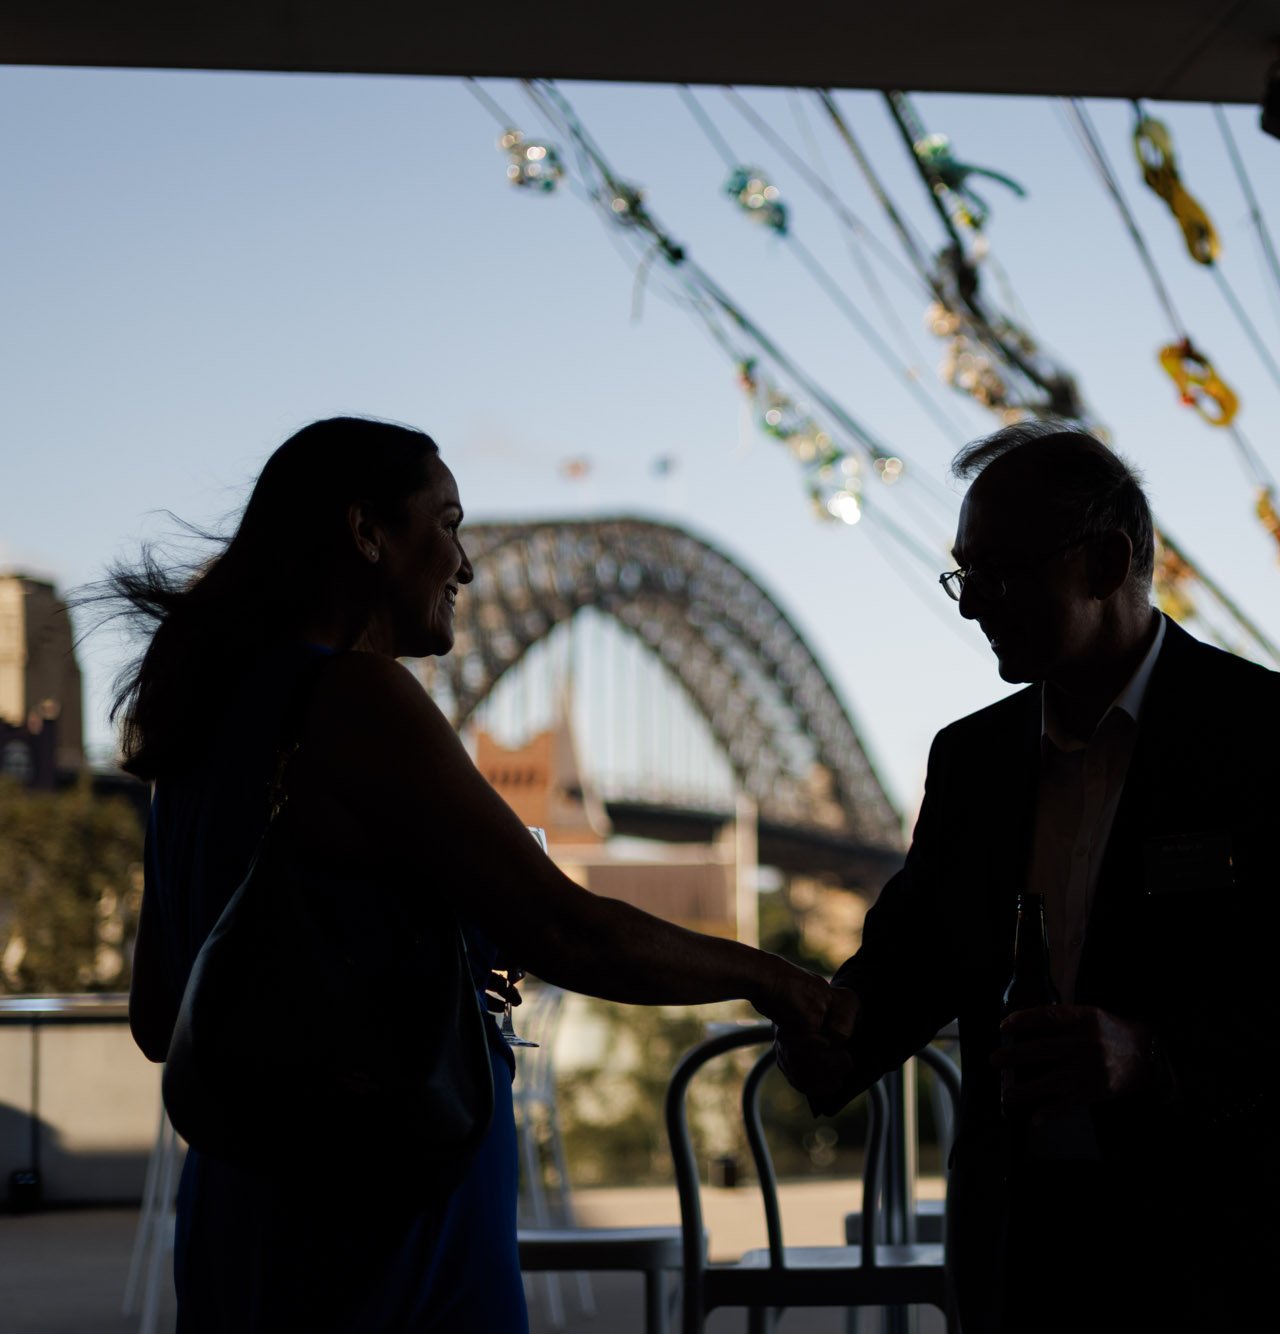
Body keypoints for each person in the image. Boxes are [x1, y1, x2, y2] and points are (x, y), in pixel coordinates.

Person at [116, 417, 851, 1332]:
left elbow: (159, 1017)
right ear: (366, 534)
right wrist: (772, 978)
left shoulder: (198, 728)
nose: (465, 565)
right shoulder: (356, 697)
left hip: (241, 1213)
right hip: (386, 1216)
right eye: (449, 524)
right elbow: (567, 931)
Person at [776, 422, 1280, 1332]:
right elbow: (910, 961)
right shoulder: (972, 759)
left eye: (1000, 572)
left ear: (1108, 561)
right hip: (1027, 1243)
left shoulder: (1270, 730)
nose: (971, 607)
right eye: (965, 573)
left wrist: (1149, 1055)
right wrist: (833, 1034)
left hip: (1237, 1240)